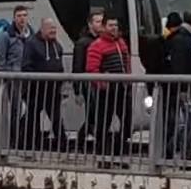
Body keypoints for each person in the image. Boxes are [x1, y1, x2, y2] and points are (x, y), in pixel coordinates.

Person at [85, 14, 132, 161]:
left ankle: (118, 149)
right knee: (103, 122)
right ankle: (101, 152)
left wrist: (128, 80)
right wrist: (103, 85)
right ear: (104, 27)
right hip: (106, 91)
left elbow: (127, 63)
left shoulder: (121, 43)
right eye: (111, 25)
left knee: (127, 120)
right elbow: (92, 69)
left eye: (116, 25)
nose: (114, 28)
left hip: (122, 88)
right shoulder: (97, 45)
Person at [163, 10, 191, 163]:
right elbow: (180, 64)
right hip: (186, 87)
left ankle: (174, 148)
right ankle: (181, 151)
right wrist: (183, 85)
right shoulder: (183, 39)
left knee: (190, 120)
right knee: (189, 120)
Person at [22, 18, 66, 151]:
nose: (53, 31)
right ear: (43, 29)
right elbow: (26, 66)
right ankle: (28, 145)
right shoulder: (31, 44)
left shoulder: (57, 45)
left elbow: (60, 66)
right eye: (50, 28)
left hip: (53, 90)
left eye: (55, 28)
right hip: (36, 90)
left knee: (56, 118)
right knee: (32, 119)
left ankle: (62, 145)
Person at [0, 5, 32, 145]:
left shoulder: (31, 35)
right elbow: (0, 59)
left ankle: (26, 138)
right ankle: (14, 140)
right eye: (19, 16)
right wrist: (3, 76)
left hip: (29, 79)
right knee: (16, 110)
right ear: (14, 18)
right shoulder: (6, 36)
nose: (22, 19)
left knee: (30, 110)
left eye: (24, 15)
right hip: (13, 80)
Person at [70, 10, 104, 148]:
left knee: (95, 113)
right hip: (88, 83)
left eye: (102, 21)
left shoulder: (101, 40)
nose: (100, 24)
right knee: (93, 112)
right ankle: (85, 139)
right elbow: (77, 66)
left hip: (99, 82)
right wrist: (77, 89)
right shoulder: (83, 43)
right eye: (97, 21)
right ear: (90, 24)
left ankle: (86, 138)